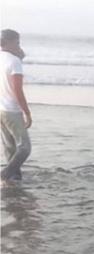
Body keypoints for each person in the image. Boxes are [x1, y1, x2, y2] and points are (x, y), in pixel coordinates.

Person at [1, 29, 31, 182]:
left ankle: (15, 178)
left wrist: (18, 52)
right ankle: (5, 175)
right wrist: (27, 112)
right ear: (10, 42)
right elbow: (17, 90)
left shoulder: (3, 58)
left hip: (1, 108)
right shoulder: (14, 62)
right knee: (25, 148)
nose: (19, 45)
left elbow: (21, 55)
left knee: (9, 147)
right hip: (11, 110)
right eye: (17, 42)